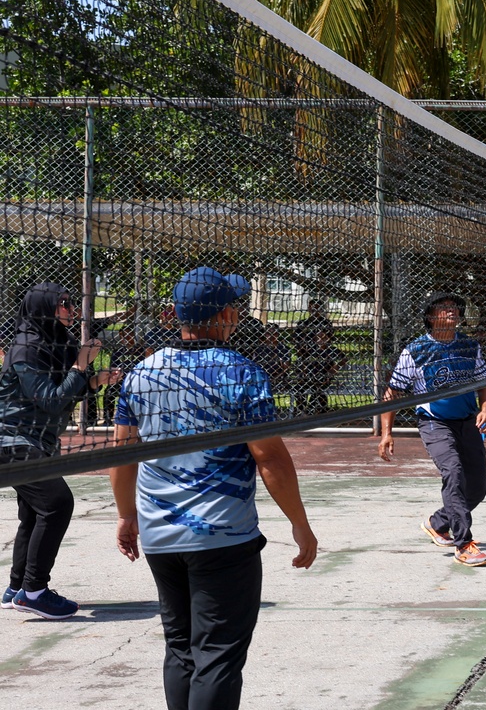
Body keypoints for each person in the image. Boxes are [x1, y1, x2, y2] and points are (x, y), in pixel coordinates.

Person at [110, 267, 318, 709]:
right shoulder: (242, 371)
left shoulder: (141, 372)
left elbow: (121, 453)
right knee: (218, 655)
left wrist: (127, 515)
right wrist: (300, 524)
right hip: (223, 535)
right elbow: (269, 457)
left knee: (181, 648)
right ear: (225, 314)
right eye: (234, 307)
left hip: (160, 534)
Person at [0, 283, 121, 619]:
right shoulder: (25, 348)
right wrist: (82, 365)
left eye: (71, 302)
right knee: (56, 503)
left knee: (34, 512)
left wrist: (97, 382)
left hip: (38, 441)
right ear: (44, 308)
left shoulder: (59, 342)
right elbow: (51, 401)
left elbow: (67, 392)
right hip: (11, 442)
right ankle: (35, 590)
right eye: (64, 304)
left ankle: (16, 588)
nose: (71, 309)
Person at [378, 291, 486, 567]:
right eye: (444, 308)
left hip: (467, 422)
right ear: (430, 317)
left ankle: (438, 522)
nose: (451, 311)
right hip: (435, 423)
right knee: (453, 472)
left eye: (454, 307)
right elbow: (392, 393)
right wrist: (386, 433)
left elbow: (484, 383)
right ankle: (464, 544)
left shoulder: (469, 346)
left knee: (476, 488)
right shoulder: (415, 351)